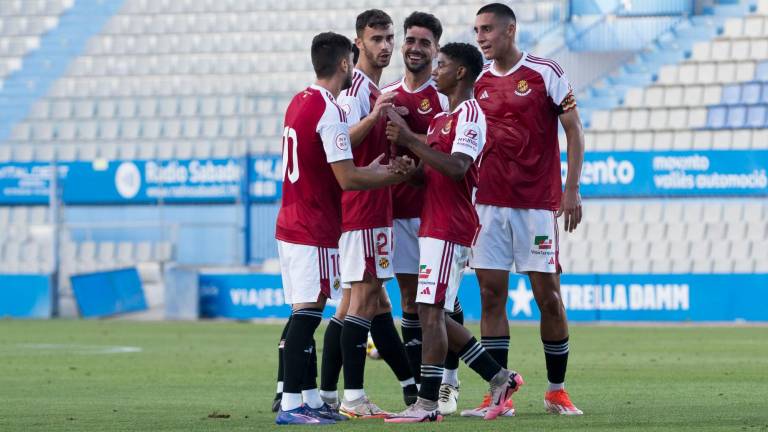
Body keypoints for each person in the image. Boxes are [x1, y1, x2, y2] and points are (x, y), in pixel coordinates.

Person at [273, 31, 413, 426]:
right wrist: (392, 178)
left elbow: (333, 168)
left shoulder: (299, 101)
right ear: (345, 64)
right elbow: (348, 179)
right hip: (313, 225)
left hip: (292, 220)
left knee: (306, 312)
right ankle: (291, 406)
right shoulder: (330, 110)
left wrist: (376, 170)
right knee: (307, 315)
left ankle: (311, 399)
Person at [384, 42, 524, 424]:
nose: (435, 70)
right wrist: (407, 170)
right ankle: (500, 377)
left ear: (461, 72)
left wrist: (411, 140)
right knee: (431, 312)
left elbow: (459, 168)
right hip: (434, 222)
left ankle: (427, 405)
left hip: (452, 225)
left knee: (430, 312)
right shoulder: (439, 121)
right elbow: (433, 176)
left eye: (442, 65)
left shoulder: (471, 115)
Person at [461, 3, 585, 417]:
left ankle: (556, 390)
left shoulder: (545, 71)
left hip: (535, 205)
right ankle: (500, 393)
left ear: (510, 30)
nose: (480, 37)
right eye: (476, 30)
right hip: (488, 206)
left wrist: (571, 189)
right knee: (491, 296)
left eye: (487, 30)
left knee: (548, 297)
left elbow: (573, 129)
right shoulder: (475, 81)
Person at [317, 9, 419, 419]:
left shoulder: (374, 89)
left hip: (373, 207)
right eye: (376, 39)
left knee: (366, 304)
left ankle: (328, 394)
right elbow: (336, 141)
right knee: (360, 303)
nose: (386, 46)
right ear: (358, 43)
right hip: (363, 209)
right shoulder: (355, 89)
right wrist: (375, 118)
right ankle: (353, 398)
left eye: (389, 38)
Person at [379, 11, 465, 416]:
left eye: (424, 43)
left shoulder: (446, 97)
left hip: (435, 214)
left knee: (441, 304)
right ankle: (419, 386)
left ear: (436, 49)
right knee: (412, 301)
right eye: (410, 40)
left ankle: (449, 383)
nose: (415, 48)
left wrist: (411, 142)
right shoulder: (389, 94)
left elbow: (453, 161)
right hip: (398, 211)